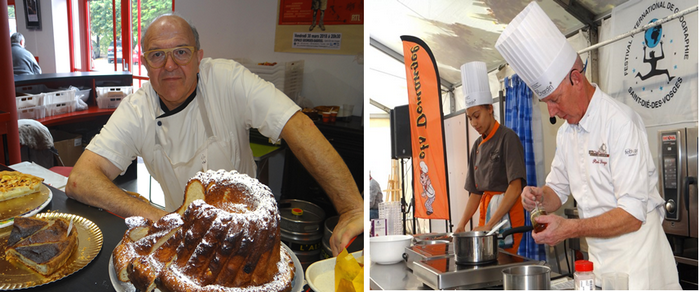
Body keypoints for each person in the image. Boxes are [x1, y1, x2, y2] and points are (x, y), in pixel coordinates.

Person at [65, 13, 362, 257]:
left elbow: (296, 125)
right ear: (145, 63)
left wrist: (350, 208)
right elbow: (81, 180)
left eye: (181, 52)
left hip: (247, 235)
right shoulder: (136, 110)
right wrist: (153, 214)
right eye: (158, 55)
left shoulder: (227, 79)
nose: (170, 66)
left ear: (198, 57)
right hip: (184, 235)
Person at [495, 2, 680, 289]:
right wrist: (539, 197)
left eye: (554, 99)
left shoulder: (619, 122)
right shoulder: (567, 134)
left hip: (640, 267)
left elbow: (631, 215)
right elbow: (557, 190)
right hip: (599, 266)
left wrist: (570, 228)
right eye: (547, 104)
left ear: (576, 79)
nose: (553, 112)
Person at [453, 61, 527, 255]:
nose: (473, 123)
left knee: (503, 264)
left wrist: (491, 224)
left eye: (476, 116)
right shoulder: (476, 147)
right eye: (469, 118)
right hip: (486, 219)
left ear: (490, 109)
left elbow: (515, 187)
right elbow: (475, 193)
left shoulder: (507, 138)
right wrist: (461, 225)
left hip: (506, 218)